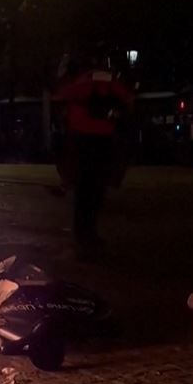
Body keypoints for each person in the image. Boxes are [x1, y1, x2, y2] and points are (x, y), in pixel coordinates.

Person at [54, 53, 133, 256]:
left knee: (83, 192)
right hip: (103, 138)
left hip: (81, 138)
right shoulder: (112, 83)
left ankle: (81, 233)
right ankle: (90, 232)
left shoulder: (82, 83)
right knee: (96, 191)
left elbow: (63, 94)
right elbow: (127, 99)